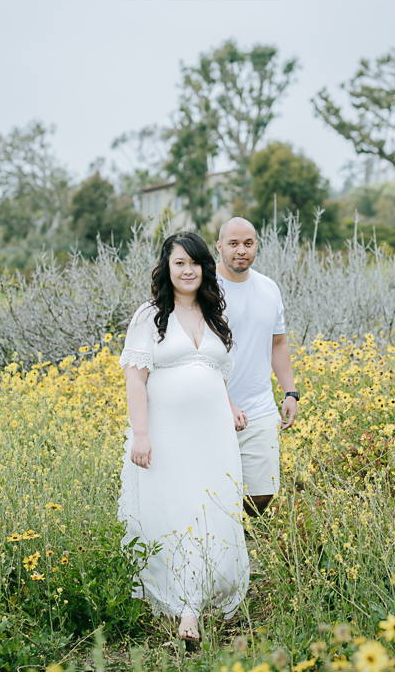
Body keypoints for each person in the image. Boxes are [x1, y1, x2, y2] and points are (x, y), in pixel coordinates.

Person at [118, 231, 249, 646]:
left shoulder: (213, 315)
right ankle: (186, 611)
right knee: (177, 512)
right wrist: (141, 434)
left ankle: (200, 597)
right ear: (167, 268)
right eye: (179, 263)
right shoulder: (149, 316)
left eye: (194, 262)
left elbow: (214, 372)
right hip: (167, 434)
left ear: (204, 268)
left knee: (212, 511)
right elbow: (135, 381)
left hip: (214, 437)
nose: (188, 270)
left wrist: (228, 407)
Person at [216, 218, 299, 516]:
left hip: (259, 406)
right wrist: (226, 403)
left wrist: (291, 392)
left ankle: (236, 536)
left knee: (262, 493)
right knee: (212, 489)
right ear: (219, 246)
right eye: (233, 244)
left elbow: (278, 343)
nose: (241, 250)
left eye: (248, 244)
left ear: (256, 246)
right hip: (212, 406)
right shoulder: (205, 289)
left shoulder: (268, 288)